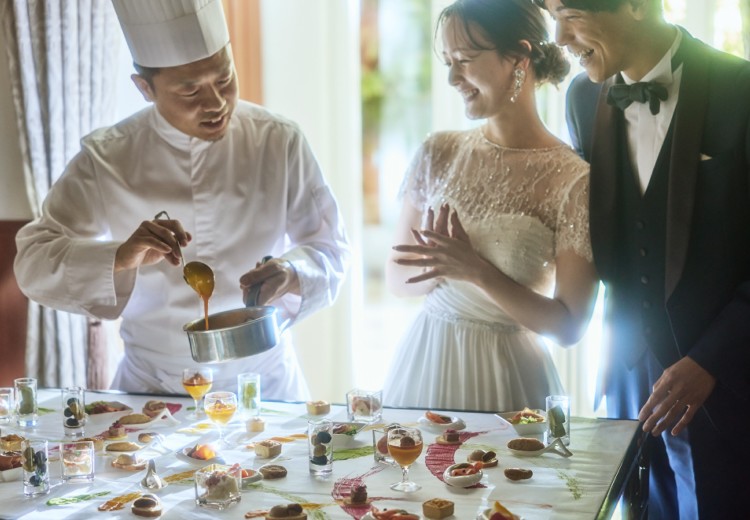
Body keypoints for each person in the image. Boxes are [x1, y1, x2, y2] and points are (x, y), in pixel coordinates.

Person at [13, 0, 349, 400]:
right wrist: (120, 256)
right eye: (190, 90)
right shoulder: (108, 156)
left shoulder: (278, 140)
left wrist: (293, 271)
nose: (216, 103)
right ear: (145, 89)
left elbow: (331, 251)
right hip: (153, 389)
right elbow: (32, 263)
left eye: (225, 79)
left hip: (265, 385)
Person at [538, 0, 750, 517]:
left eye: (569, 14)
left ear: (634, 5)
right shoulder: (582, 97)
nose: (560, 37)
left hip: (725, 383)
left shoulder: (739, 90)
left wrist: (711, 360)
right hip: (627, 379)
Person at [381, 0, 598, 413]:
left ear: (517, 57)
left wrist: (475, 270)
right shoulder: (438, 152)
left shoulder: (571, 179)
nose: (451, 77)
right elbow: (395, 277)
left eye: (463, 59)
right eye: (446, 61)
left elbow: (569, 325)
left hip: (509, 380)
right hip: (427, 362)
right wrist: (441, 262)